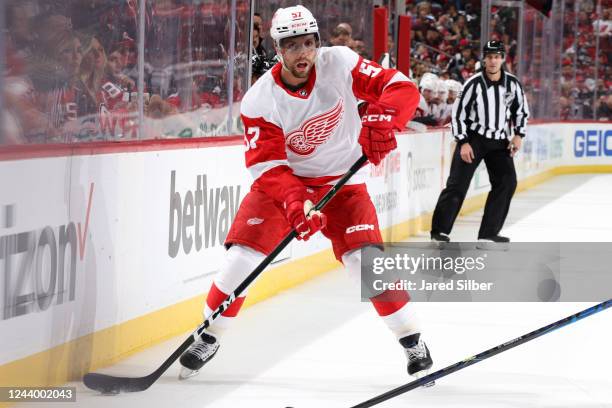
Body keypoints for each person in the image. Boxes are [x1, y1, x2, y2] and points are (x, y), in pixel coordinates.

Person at [179, 5, 433, 381]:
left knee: (367, 267)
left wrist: (383, 117)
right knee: (241, 259)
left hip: (342, 185)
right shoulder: (259, 100)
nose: (303, 54)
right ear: (278, 49)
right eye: (293, 45)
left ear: (318, 43)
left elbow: (400, 88)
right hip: (284, 185)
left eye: (309, 43)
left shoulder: (339, 63)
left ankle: (412, 339)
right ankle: (210, 334)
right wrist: (297, 203)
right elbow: (268, 166)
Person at [430, 40, 529, 243]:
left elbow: (521, 111)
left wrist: (519, 135)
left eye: (497, 56)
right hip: (474, 140)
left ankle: (489, 233)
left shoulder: (513, 84)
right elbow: (458, 114)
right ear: (484, 59)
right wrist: (463, 141)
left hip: (500, 141)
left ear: (502, 59)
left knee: (507, 182)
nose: (493, 61)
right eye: (489, 57)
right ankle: (439, 232)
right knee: (457, 185)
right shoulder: (473, 84)